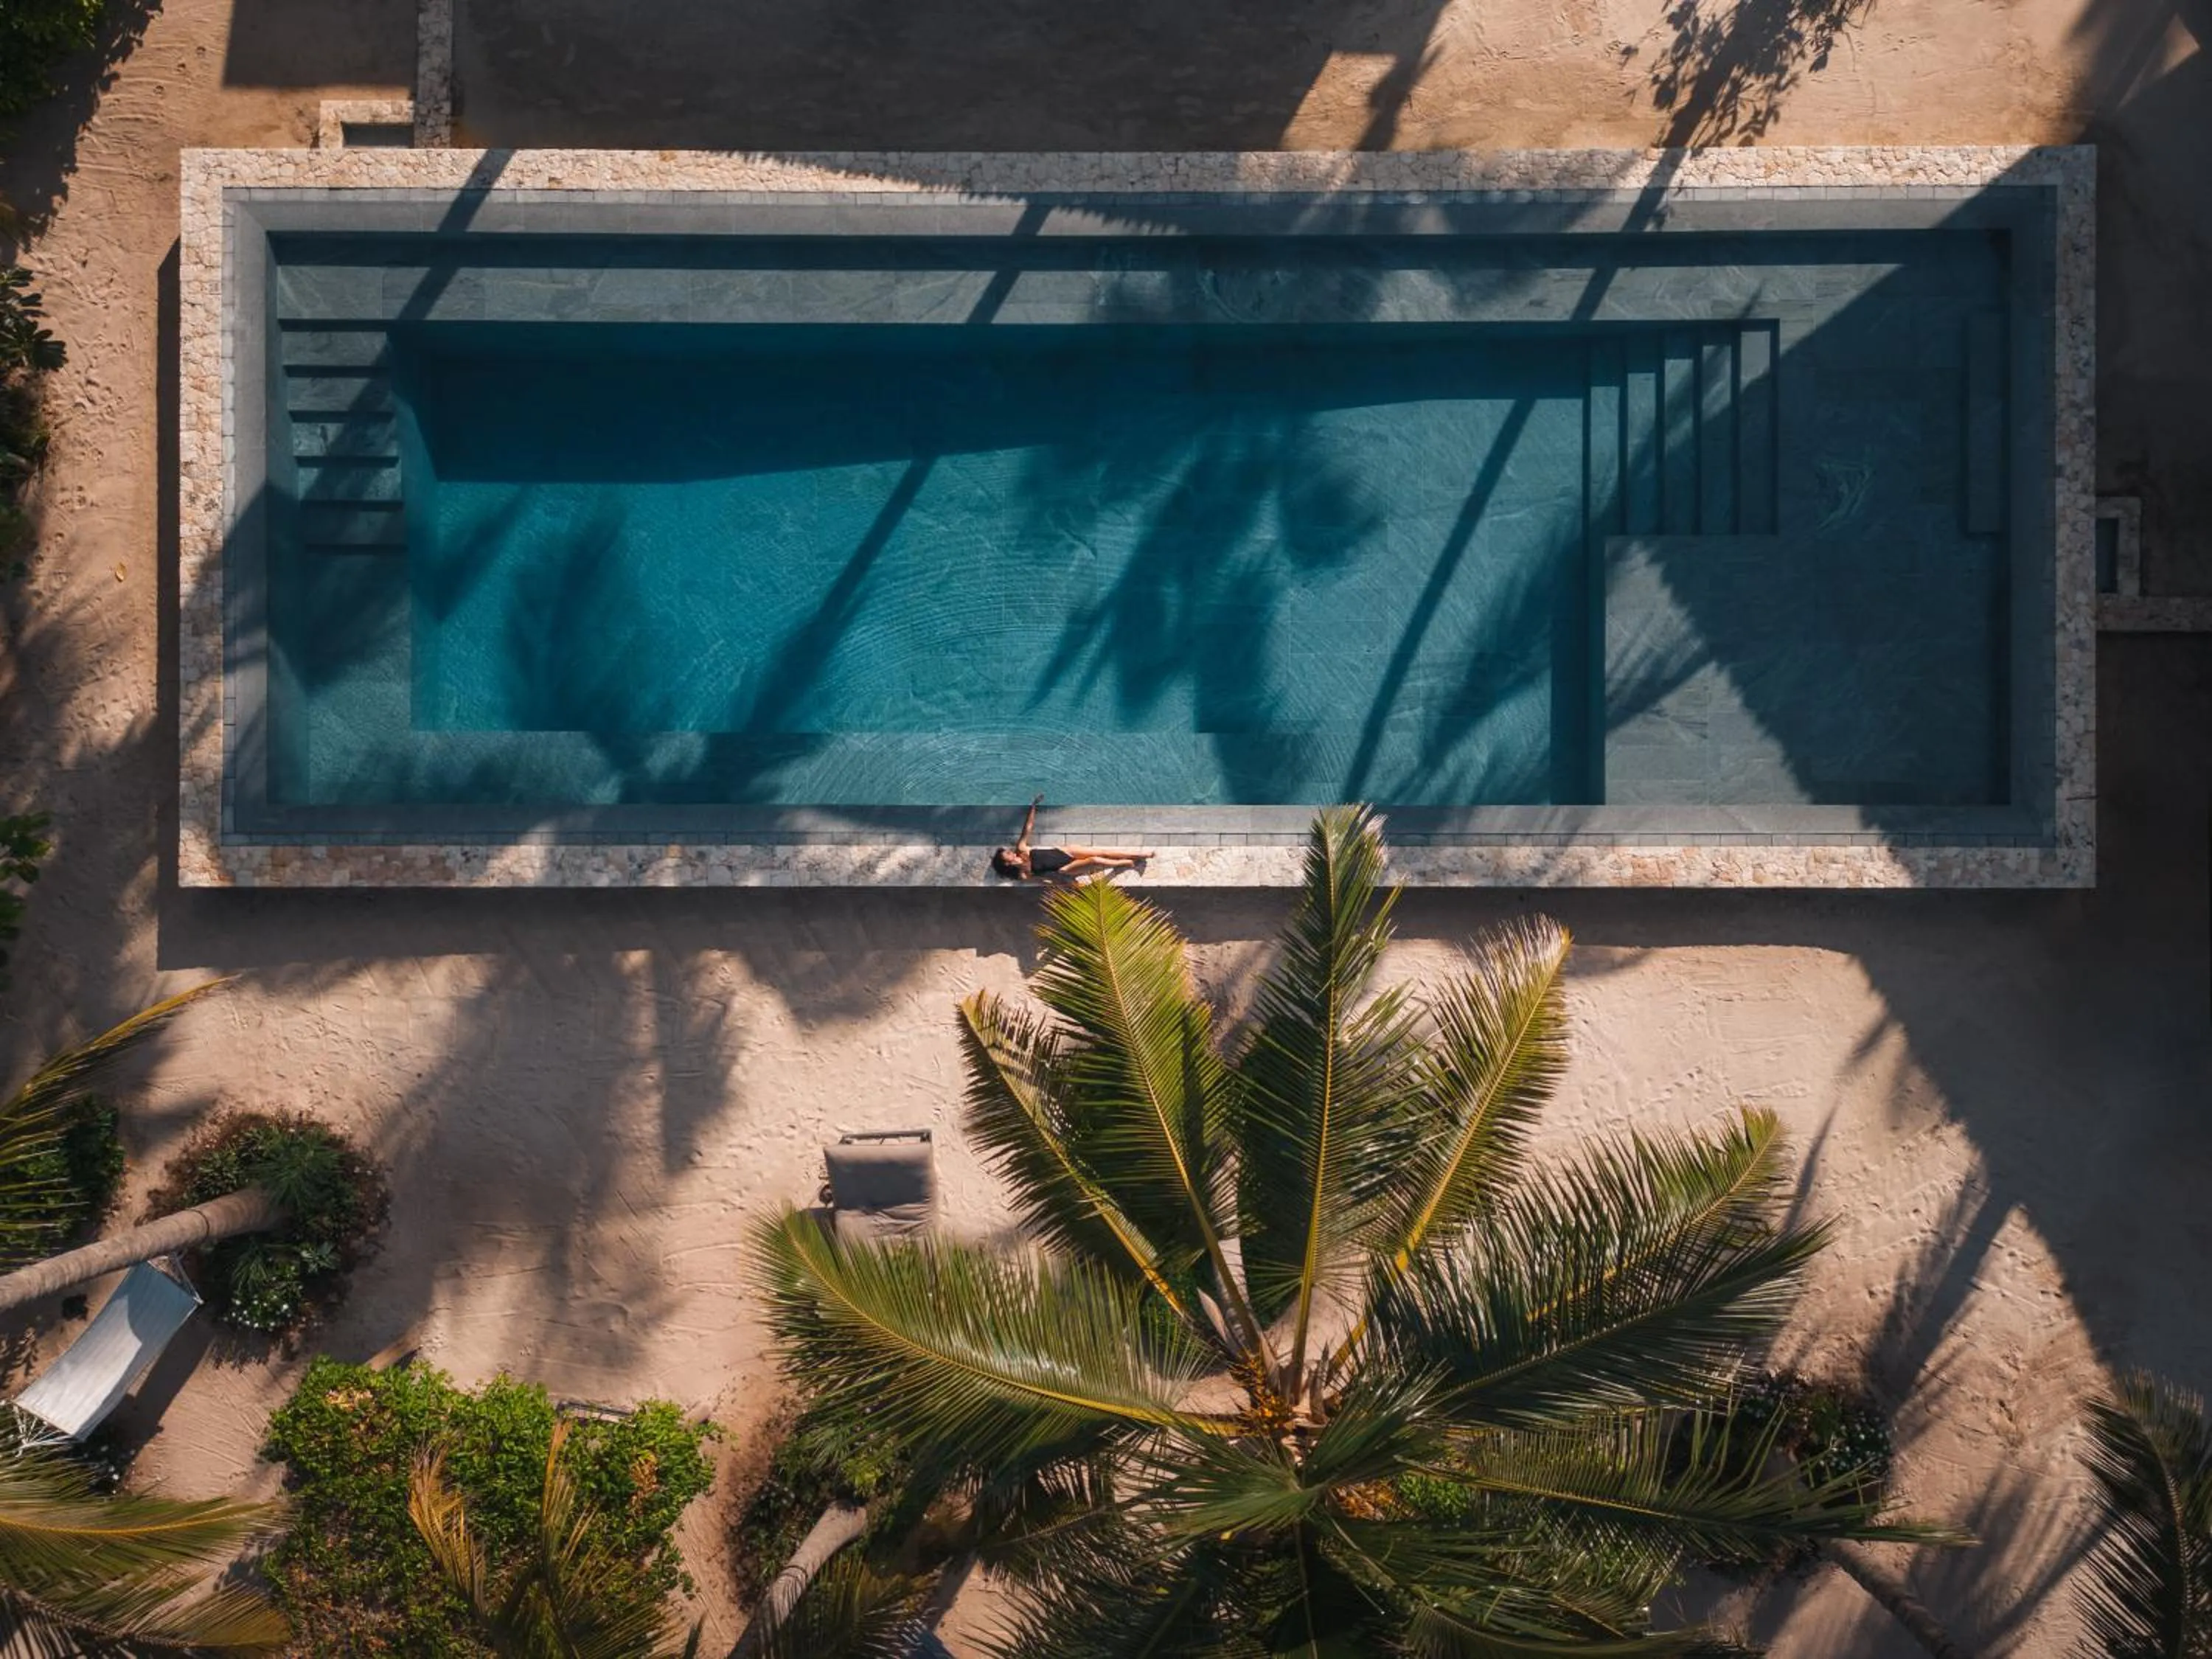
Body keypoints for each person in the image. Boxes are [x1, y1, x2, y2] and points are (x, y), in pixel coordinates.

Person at [991, 795, 1154, 883]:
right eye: (1008, 855)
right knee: (1096, 860)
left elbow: (1028, 828)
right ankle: (1124, 863)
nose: (1011, 852)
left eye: (1008, 852)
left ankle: (1140, 855)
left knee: (1103, 851)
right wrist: (1069, 885)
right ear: (1007, 864)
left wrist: (1033, 806)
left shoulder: (1022, 849)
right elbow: (1045, 879)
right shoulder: (1023, 874)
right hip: (1066, 868)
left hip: (1065, 851)